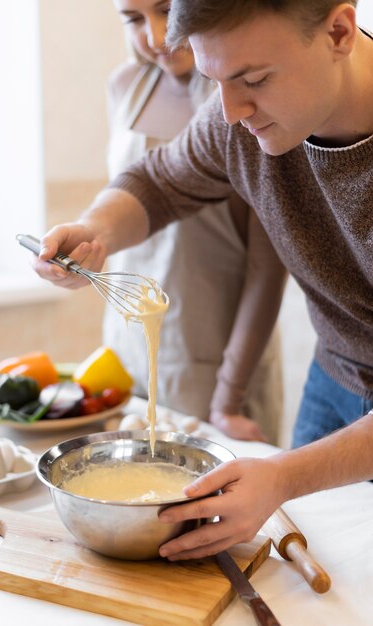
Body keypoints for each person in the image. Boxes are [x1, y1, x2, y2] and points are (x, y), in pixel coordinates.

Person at [32, 0, 373, 559]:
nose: (232, 112)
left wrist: (282, 475)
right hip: (333, 377)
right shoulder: (236, 114)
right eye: (215, 80)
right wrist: (93, 230)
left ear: (338, 30)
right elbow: (159, 182)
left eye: (254, 79)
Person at [87, 0, 286, 443]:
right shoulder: (124, 88)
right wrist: (86, 236)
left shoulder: (242, 99)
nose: (157, 36)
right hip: (125, 351)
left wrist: (228, 397)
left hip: (217, 365)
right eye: (133, 20)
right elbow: (134, 196)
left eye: (166, 10)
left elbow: (268, 265)